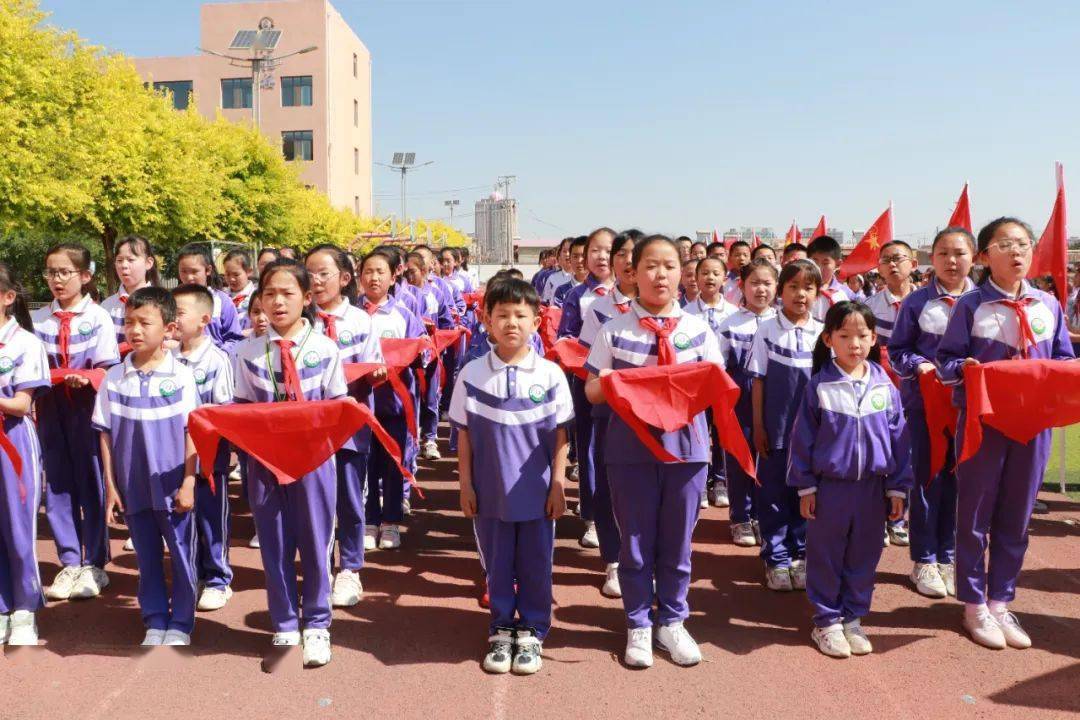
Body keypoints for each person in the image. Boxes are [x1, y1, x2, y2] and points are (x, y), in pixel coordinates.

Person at [936, 217, 1075, 650]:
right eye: (1005, 244)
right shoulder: (972, 305)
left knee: (1017, 516)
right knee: (975, 515)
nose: (1017, 251)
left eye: (1023, 243)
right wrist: (969, 371)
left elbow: (1064, 359)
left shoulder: (1048, 305)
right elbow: (946, 363)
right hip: (984, 423)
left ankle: (1000, 601)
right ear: (985, 255)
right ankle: (973, 603)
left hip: (1033, 427)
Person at [584, 234, 721, 669]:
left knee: (678, 541)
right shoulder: (614, 330)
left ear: (683, 274)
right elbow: (589, 391)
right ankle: (639, 623)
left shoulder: (699, 330)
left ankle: (673, 621)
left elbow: (715, 389)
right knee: (637, 542)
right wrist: (612, 382)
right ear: (633, 272)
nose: (659, 275)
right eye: (650, 266)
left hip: (687, 450)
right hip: (630, 450)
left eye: (668, 266)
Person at [452, 279, 572, 675]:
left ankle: (534, 630)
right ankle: (502, 626)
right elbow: (464, 435)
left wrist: (559, 485)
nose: (511, 323)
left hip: (538, 494)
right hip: (489, 493)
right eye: (501, 315)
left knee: (537, 563)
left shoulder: (551, 374)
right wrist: (465, 484)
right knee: (498, 564)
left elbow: (560, 436)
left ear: (537, 322)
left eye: (521, 315)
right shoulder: (471, 373)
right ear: (486, 320)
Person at [233, 259, 346, 666]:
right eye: (269, 294)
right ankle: (283, 622)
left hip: (314, 461)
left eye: (287, 293)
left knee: (316, 541)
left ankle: (317, 624)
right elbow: (242, 409)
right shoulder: (245, 352)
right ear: (259, 299)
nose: (277, 302)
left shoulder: (324, 349)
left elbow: (337, 407)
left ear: (306, 297)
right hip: (264, 463)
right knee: (275, 542)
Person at [789, 301, 912, 658]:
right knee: (826, 555)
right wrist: (807, 486)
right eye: (845, 336)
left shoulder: (884, 385)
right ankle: (826, 621)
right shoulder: (819, 387)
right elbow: (802, 441)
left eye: (862, 335)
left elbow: (899, 438)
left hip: (873, 489)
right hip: (830, 489)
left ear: (874, 338)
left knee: (864, 555)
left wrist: (897, 486)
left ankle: (853, 617)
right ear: (829, 339)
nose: (854, 344)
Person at [95, 287, 199, 646]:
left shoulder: (182, 376)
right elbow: (105, 435)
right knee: (147, 556)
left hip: (172, 485)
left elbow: (193, 433)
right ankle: (155, 618)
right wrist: (111, 485)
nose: (134, 330)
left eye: (144, 322)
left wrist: (189, 481)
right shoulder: (113, 378)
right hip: (132, 485)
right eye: (128, 322)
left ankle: (182, 622)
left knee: (182, 554)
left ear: (169, 328)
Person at [888, 227, 975, 599]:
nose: (951, 261)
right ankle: (924, 559)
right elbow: (898, 350)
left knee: (963, 484)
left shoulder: (982, 301)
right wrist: (919, 366)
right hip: (925, 405)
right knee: (928, 481)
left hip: (972, 409)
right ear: (931, 259)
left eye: (959, 253)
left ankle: (949, 557)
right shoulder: (917, 301)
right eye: (942, 253)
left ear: (974, 257)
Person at [33, 243, 120, 602]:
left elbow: (106, 367)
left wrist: (87, 378)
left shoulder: (97, 317)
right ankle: (69, 560)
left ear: (85, 276)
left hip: (86, 408)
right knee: (57, 484)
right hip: (51, 407)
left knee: (91, 481)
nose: (57, 280)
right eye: (51, 272)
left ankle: (95, 562)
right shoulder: (38, 319)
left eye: (65, 272)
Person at [305, 244, 384, 607]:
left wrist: (377, 374)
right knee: (314, 499)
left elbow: (373, 368)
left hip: (350, 422)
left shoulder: (360, 321)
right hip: (309, 425)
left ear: (344, 278)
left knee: (350, 496)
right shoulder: (301, 321)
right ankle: (319, 563)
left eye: (324, 273)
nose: (316, 280)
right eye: (310, 273)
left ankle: (350, 568)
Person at [747, 259, 823, 591]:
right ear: (781, 292)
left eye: (808, 288)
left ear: (818, 294)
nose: (800, 294)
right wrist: (759, 426)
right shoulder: (766, 330)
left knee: (804, 495)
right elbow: (759, 382)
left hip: (812, 436)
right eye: (793, 287)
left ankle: (801, 554)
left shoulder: (824, 333)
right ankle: (776, 558)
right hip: (775, 431)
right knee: (774, 496)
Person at [578, 231, 636, 598]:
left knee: (645, 492)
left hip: (653, 418)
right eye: (623, 255)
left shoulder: (670, 311)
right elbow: (589, 367)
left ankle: (642, 560)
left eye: (637, 255)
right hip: (608, 412)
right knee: (608, 486)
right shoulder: (597, 309)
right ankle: (614, 561)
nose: (630, 262)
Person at [171, 284, 235, 611]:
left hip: (209, 459)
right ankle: (191, 574)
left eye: (180, 313)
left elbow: (222, 411)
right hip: (173, 457)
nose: (173, 319)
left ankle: (217, 578)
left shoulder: (216, 360)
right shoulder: (166, 356)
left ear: (204, 319)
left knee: (211, 518)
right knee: (183, 519)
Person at [360, 249, 425, 550]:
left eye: (380, 272)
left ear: (392, 275)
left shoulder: (404, 314)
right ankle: (370, 520)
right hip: (360, 404)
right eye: (368, 271)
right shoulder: (352, 316)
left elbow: (421, 353)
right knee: (366, 464)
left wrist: (404, 358)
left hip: (394, 403)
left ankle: (391, 522)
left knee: (393, 463)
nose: (374, 277)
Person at [0, 264, 50, 645]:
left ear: (8, 297)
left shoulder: (25, 343)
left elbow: (21, 403)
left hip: (13, 441)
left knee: (18, 528)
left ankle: (24, 608)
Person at [557, 228, 616, 550]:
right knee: (590, 447)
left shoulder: (634, 296)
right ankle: (593, 517)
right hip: (588, 382)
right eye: (595, 250)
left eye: (609, 250)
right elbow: (565, 339)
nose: (601, 257)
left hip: (629, 388)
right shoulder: (578, 296)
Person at [716, 259, 777, 545]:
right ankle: (740, 517)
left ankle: (763, 516)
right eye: (754, 283)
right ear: (742, 286)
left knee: (769, 458)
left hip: (774, 398)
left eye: (767, 283)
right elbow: (718, 366)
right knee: (740, 458)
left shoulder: (780, 323)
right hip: (739, 398)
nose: (761, 289)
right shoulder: (730, 324)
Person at [865, 239, 917, 547]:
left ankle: (900, 518)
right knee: (881, 452)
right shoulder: (869, 307)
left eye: (899, 258)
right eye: (886, 260)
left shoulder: (926, 303)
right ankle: (881, 517)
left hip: (917, 389)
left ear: (913, 262)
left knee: (908, 453)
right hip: (881, 391)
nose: (893, 264)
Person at [683, 257, 739, 508]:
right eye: (704, 272)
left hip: (724, 383)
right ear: (696, 277)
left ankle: (720, 480)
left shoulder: (734, 313)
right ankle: (701, 481)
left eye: (716, 273)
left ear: (724, 278)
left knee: (721, 431)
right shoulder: (685, 313)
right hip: (695, 386)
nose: (709, 277)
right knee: (698, 432)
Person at [175, 244, 245, 353]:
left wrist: (217, 357)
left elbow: (234, 338)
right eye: (183, 271)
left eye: (194, 272)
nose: (189, 277)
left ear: (208, 270)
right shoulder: (173, 300)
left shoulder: (222, 301)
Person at [101, 235, 161, 344]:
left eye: (130, 260)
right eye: (119, 260)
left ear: (148, 263)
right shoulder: (106, 306)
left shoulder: (161, 302)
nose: (124, 265)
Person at [807, 236, 854, 320]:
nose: (819, 267)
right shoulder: (801, 291)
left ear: (838, 264)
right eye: (814, 262)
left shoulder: (846, 294)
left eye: (825, 263)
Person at [223, 249, 256, 326]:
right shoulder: (222, 296)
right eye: (227, 274)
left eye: (236, 274)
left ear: (249, 271)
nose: (231, 279)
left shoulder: (256, 295)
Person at [553, 237, 589, 308]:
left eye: (584, 256)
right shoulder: (562, 291)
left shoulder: (604, 290)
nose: (579, 260)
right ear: (570, 259)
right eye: (575, 256)